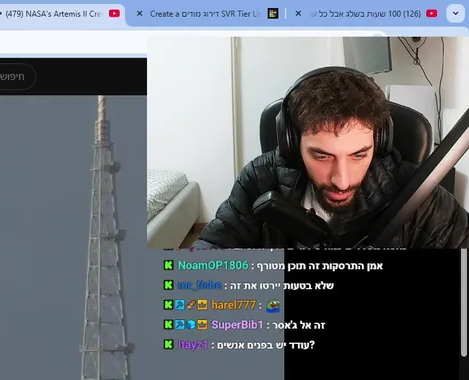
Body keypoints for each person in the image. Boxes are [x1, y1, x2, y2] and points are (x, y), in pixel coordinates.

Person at [196, 68, 468, 249]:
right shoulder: (260, 178)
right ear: (292, 144)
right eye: (321, 155)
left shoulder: (420, 195)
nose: (342, 181)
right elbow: (210, 254)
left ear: (379, 143)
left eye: (359, 154)